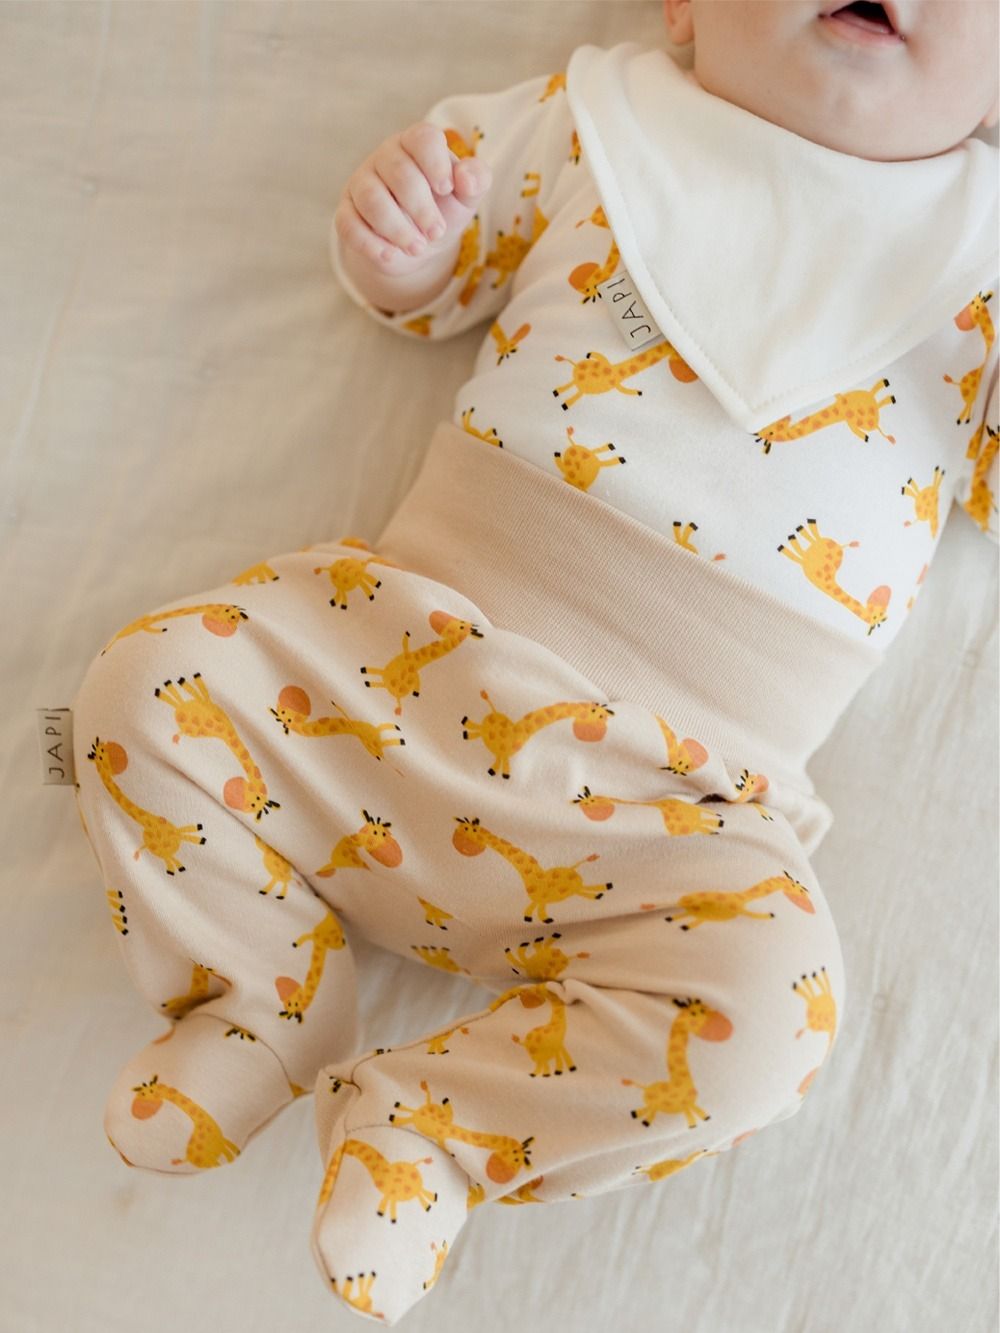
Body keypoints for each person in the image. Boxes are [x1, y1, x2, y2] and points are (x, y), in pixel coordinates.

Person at [71, 1, 998, 1324]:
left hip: (667, 818)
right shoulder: (593, 124)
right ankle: (263, 997)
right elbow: (431, 278)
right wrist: (402, 238)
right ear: (684, 7)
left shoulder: (979, 263)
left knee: (772, 1007)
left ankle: (435, 1128)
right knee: (147, 690)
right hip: (388, 681)